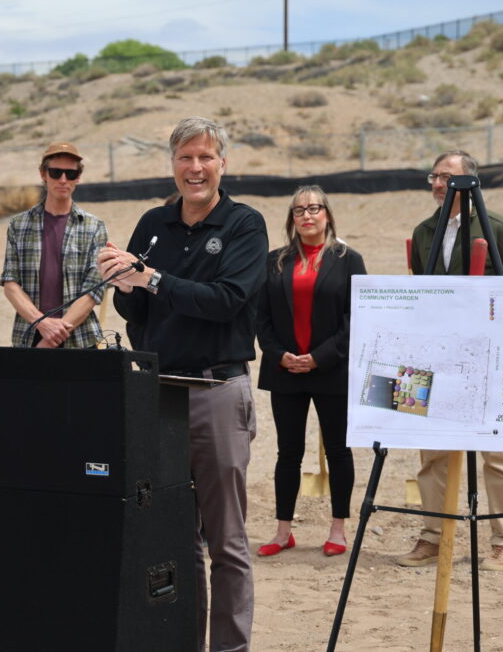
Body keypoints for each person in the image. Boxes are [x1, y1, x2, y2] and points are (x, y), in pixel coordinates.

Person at [98, 117, 267, 652]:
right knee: (176, 540)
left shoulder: (245, 224)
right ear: (172, 164)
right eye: (185, 158)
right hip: (159, 397)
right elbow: (135, 313)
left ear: (223, 163)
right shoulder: (153, 223)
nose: (195, 168)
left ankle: (230, 648)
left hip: (217, 393)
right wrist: (123, 283)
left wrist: (151, 278)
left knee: (226, 542)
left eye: (205, 157)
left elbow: (227, 302)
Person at [396, 149, 503, 572]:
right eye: (434, 177)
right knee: (433, 453)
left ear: (470, 182)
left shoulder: (498, 229)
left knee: (496, 452)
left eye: (447, 177)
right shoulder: (424, 231)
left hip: (488, 357)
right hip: (436, 357)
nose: (439, 184)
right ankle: (433, 536)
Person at [254, 185, 366, 559]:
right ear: (292, 219)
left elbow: (356, 318)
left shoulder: (348, 259)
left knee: (338, 451)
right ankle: (283, 531)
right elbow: (261, 318)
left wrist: (319, 357)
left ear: (327, 214)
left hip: (331, 369)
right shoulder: (275, 261)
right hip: (285, 370)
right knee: (288, 453)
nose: (307, 215)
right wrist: (279, 355)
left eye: (314, 208)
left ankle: (337, 529)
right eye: (299, 210)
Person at [0, 142, 108, 348]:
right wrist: (42, 324)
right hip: (30, 337)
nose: (63, 180)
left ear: (78, 177)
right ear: (43, 174)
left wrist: (52, 338)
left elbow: (93, 289)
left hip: (80, 340)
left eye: (71, 174)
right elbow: (10, 283)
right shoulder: (18, 225)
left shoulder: (94, 227)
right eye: (56, 172)